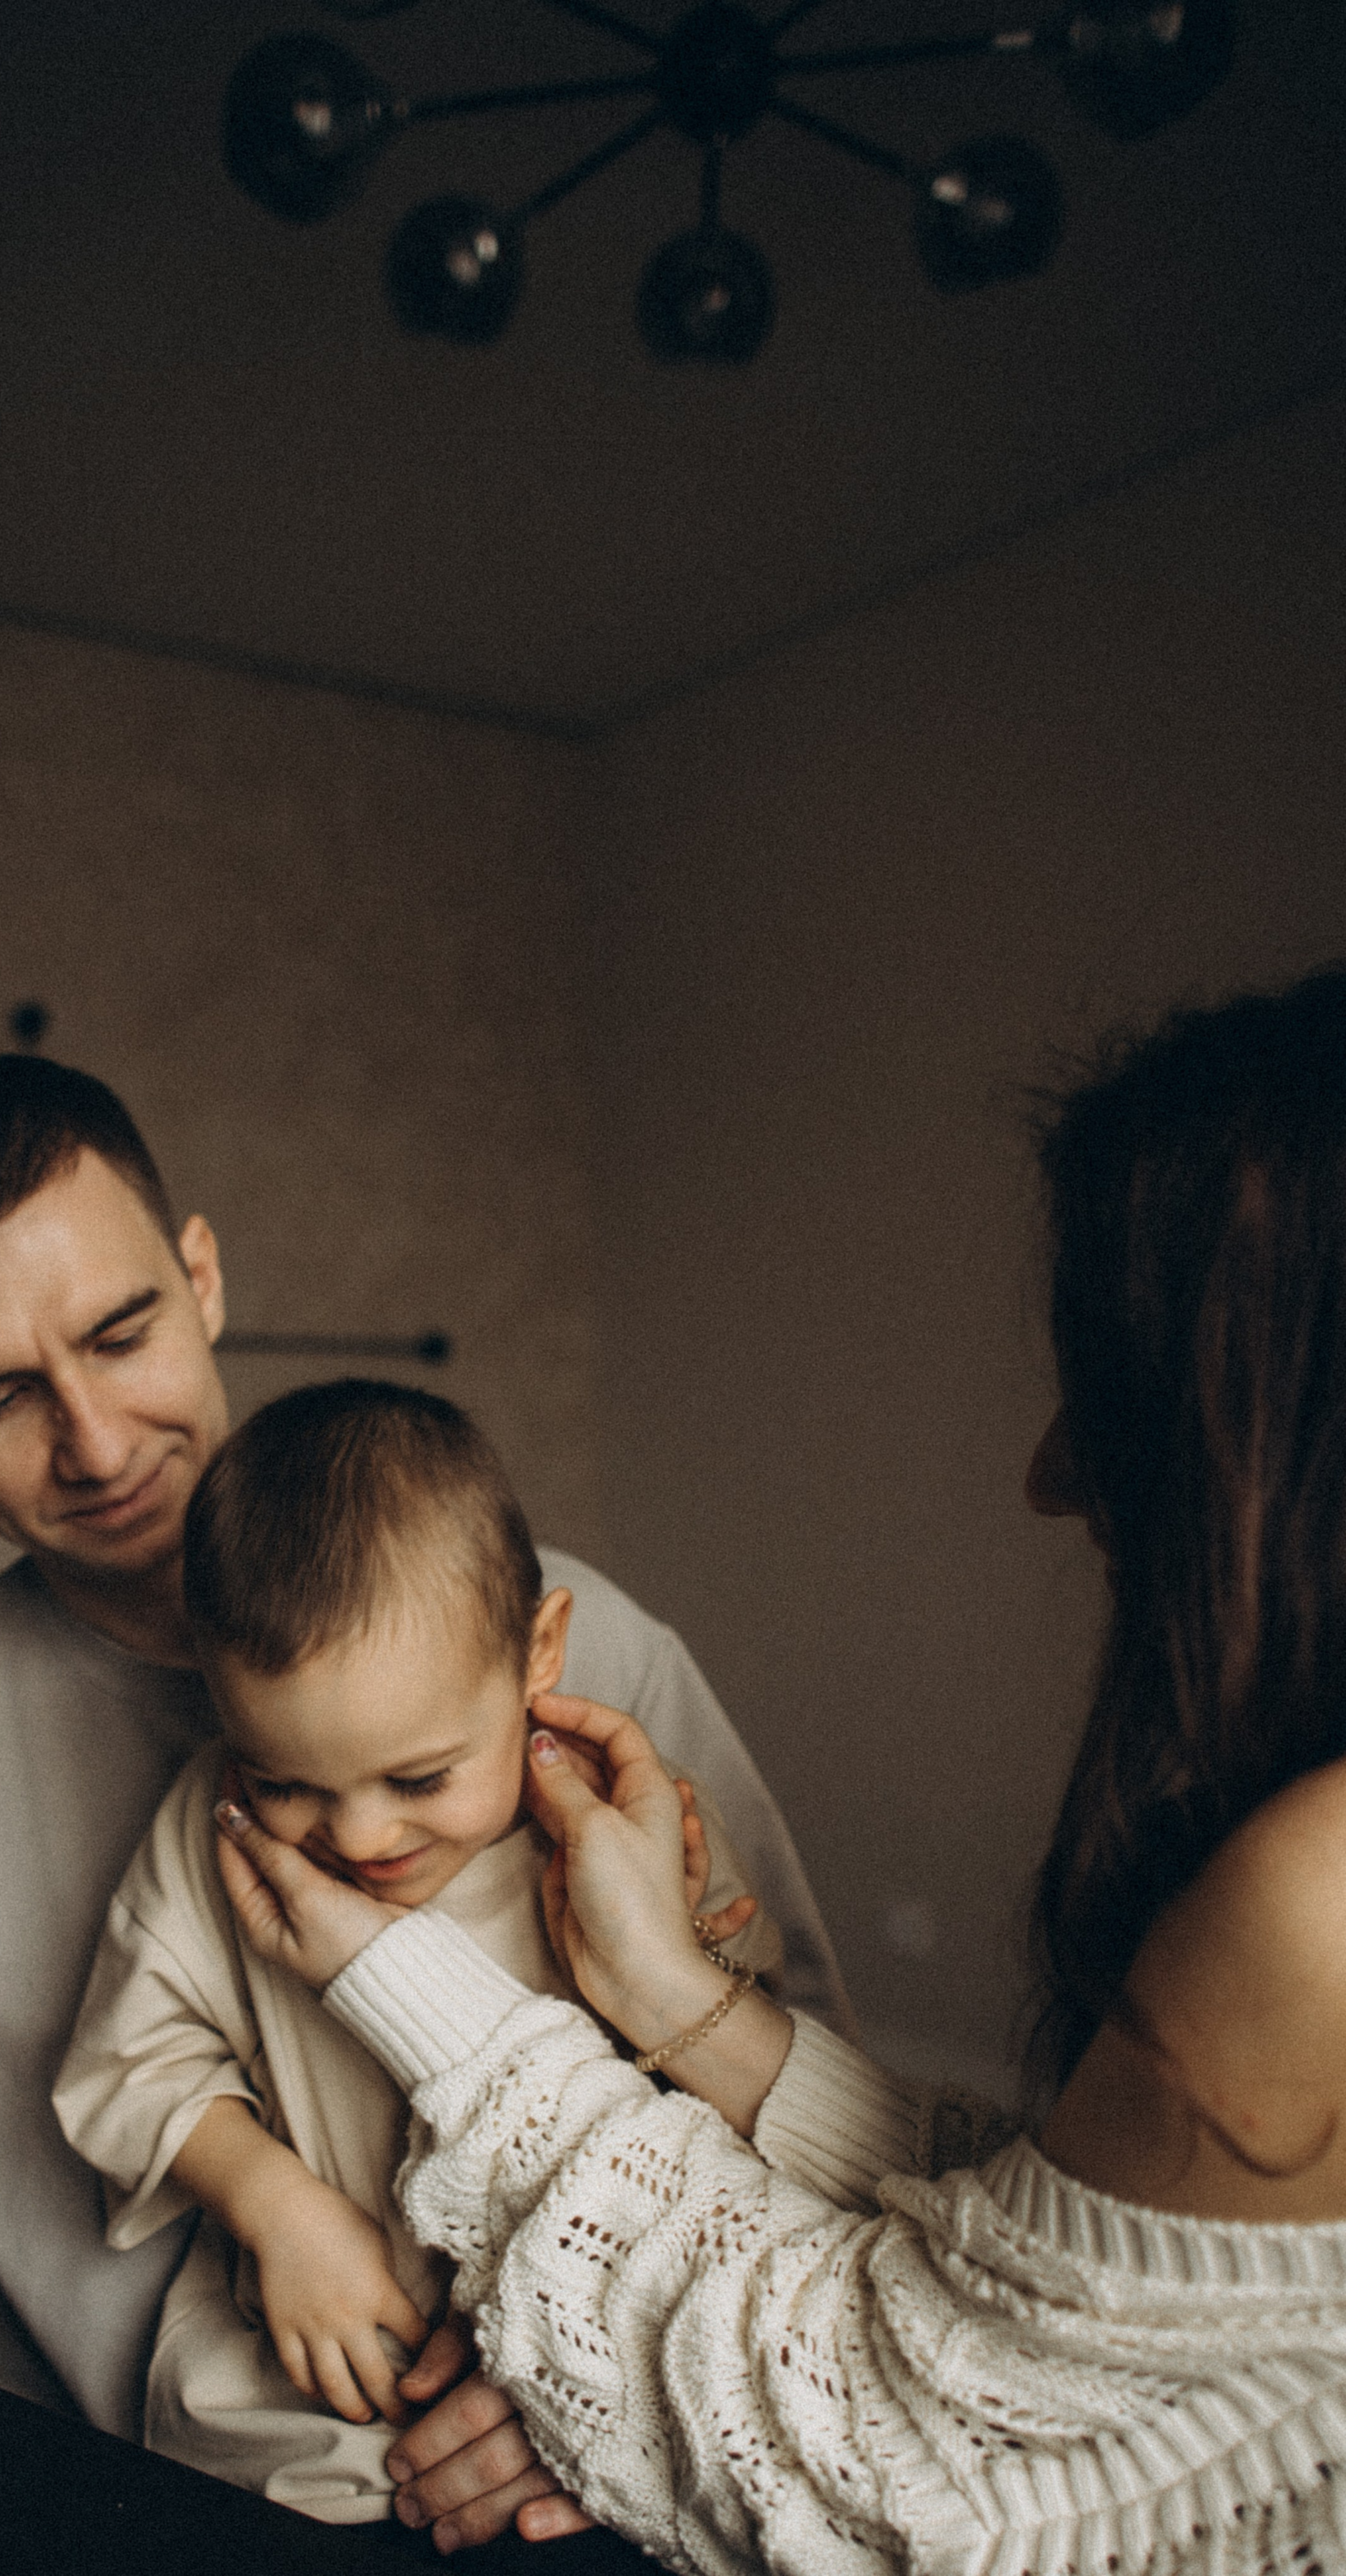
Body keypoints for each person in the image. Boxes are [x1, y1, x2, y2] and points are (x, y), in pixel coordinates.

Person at [209, 967, 1346, 2571]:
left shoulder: (1319, 1897)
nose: (1051, 1469)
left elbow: (907, 2472)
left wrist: (424, 1998)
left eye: (1115, 1388)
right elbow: (1075, 2302)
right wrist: (684, 2008)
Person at [0, 1053, 848, 2530]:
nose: (93, 1445)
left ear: (201, 1276)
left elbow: (794, 2077)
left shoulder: (586, 1663)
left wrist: (595, 2384)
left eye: (120, 1333)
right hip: (125, 2487)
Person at [52, 1379, 773, 2522]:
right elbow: (129, 2066)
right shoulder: (211, 1835)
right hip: (298, 2408)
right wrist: (273, 2206)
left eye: (421, 1777)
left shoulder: (630, 1834)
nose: (359, 1836)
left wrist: (694, 1965)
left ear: (539, 1654)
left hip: (597, 2388)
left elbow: (753, 2081)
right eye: (286, 1781)